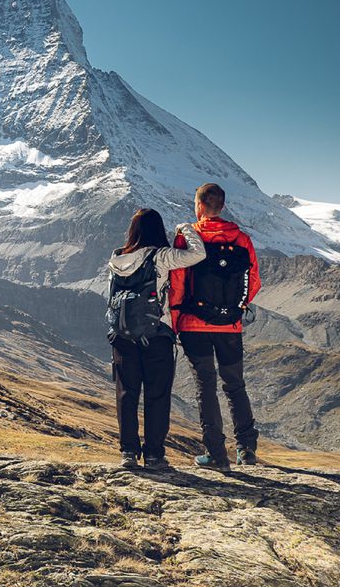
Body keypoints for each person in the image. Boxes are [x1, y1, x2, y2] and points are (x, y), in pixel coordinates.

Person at [170, 182, 262, 468]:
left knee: (205, 387)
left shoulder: (190, 237)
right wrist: (237, 309)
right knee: (235, 385)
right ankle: (246, 451)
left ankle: (216, 454)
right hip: (230, 327)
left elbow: (178, 283)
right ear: (221, 207)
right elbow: (253, 281)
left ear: (198, 206)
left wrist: (176, 321)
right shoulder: (242, 239)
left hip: (194, 326)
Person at [105, 208, 205, 469]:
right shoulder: (160, 257)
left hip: (121, 335)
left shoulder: (116, 258)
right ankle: (154, 455)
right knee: (156, 395)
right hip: (156, 335)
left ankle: (128, 452)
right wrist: (185, 228)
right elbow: (198, 254)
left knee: (126, 394)